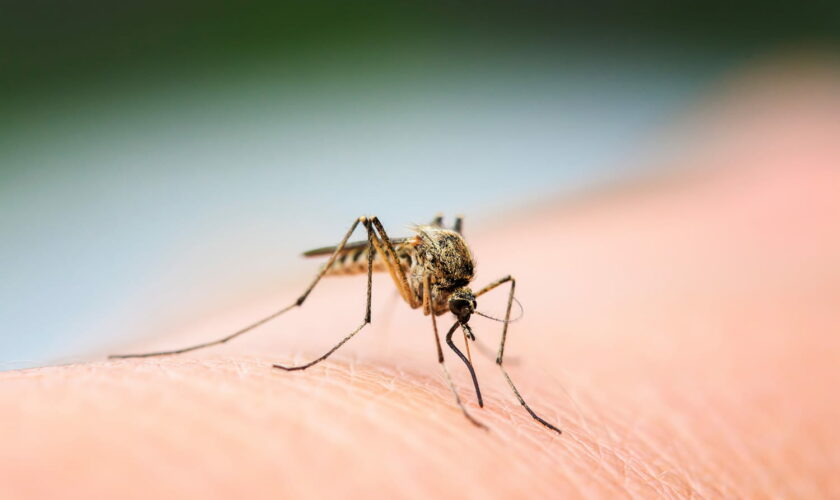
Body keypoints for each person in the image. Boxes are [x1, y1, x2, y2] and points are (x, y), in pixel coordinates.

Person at [2, 61, 838, 499]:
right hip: (384, 259)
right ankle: (274, 328)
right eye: (461, 314)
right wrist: (397, 300)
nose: (464, 316)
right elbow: (423, 257)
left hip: (431, 256)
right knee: (377, 234)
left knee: (480, 266)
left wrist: (496, 350)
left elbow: (472, 281)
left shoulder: (476, 283)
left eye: (463, 314)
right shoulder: (426, 275)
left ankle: (484, 370)